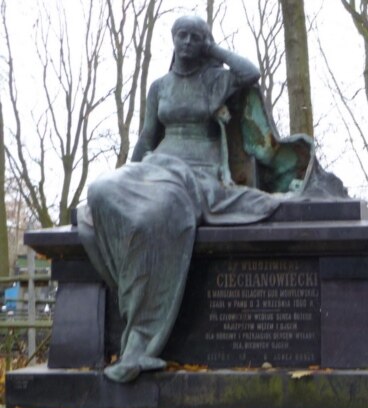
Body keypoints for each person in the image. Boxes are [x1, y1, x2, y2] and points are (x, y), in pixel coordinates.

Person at [78, 15, 330, 383]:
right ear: (172, 39)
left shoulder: (215, 80)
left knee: (154, 217)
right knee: (101, 189)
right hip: (156, 164)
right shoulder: (159, 87)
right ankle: (133, 286)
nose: (186, 42)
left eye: (195, 37)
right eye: (181, 35)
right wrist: (128, 172)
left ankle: (141, 337)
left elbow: (250, 73)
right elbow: (147, 137)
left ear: (204, 43)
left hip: (197, 171)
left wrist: (215, 51)